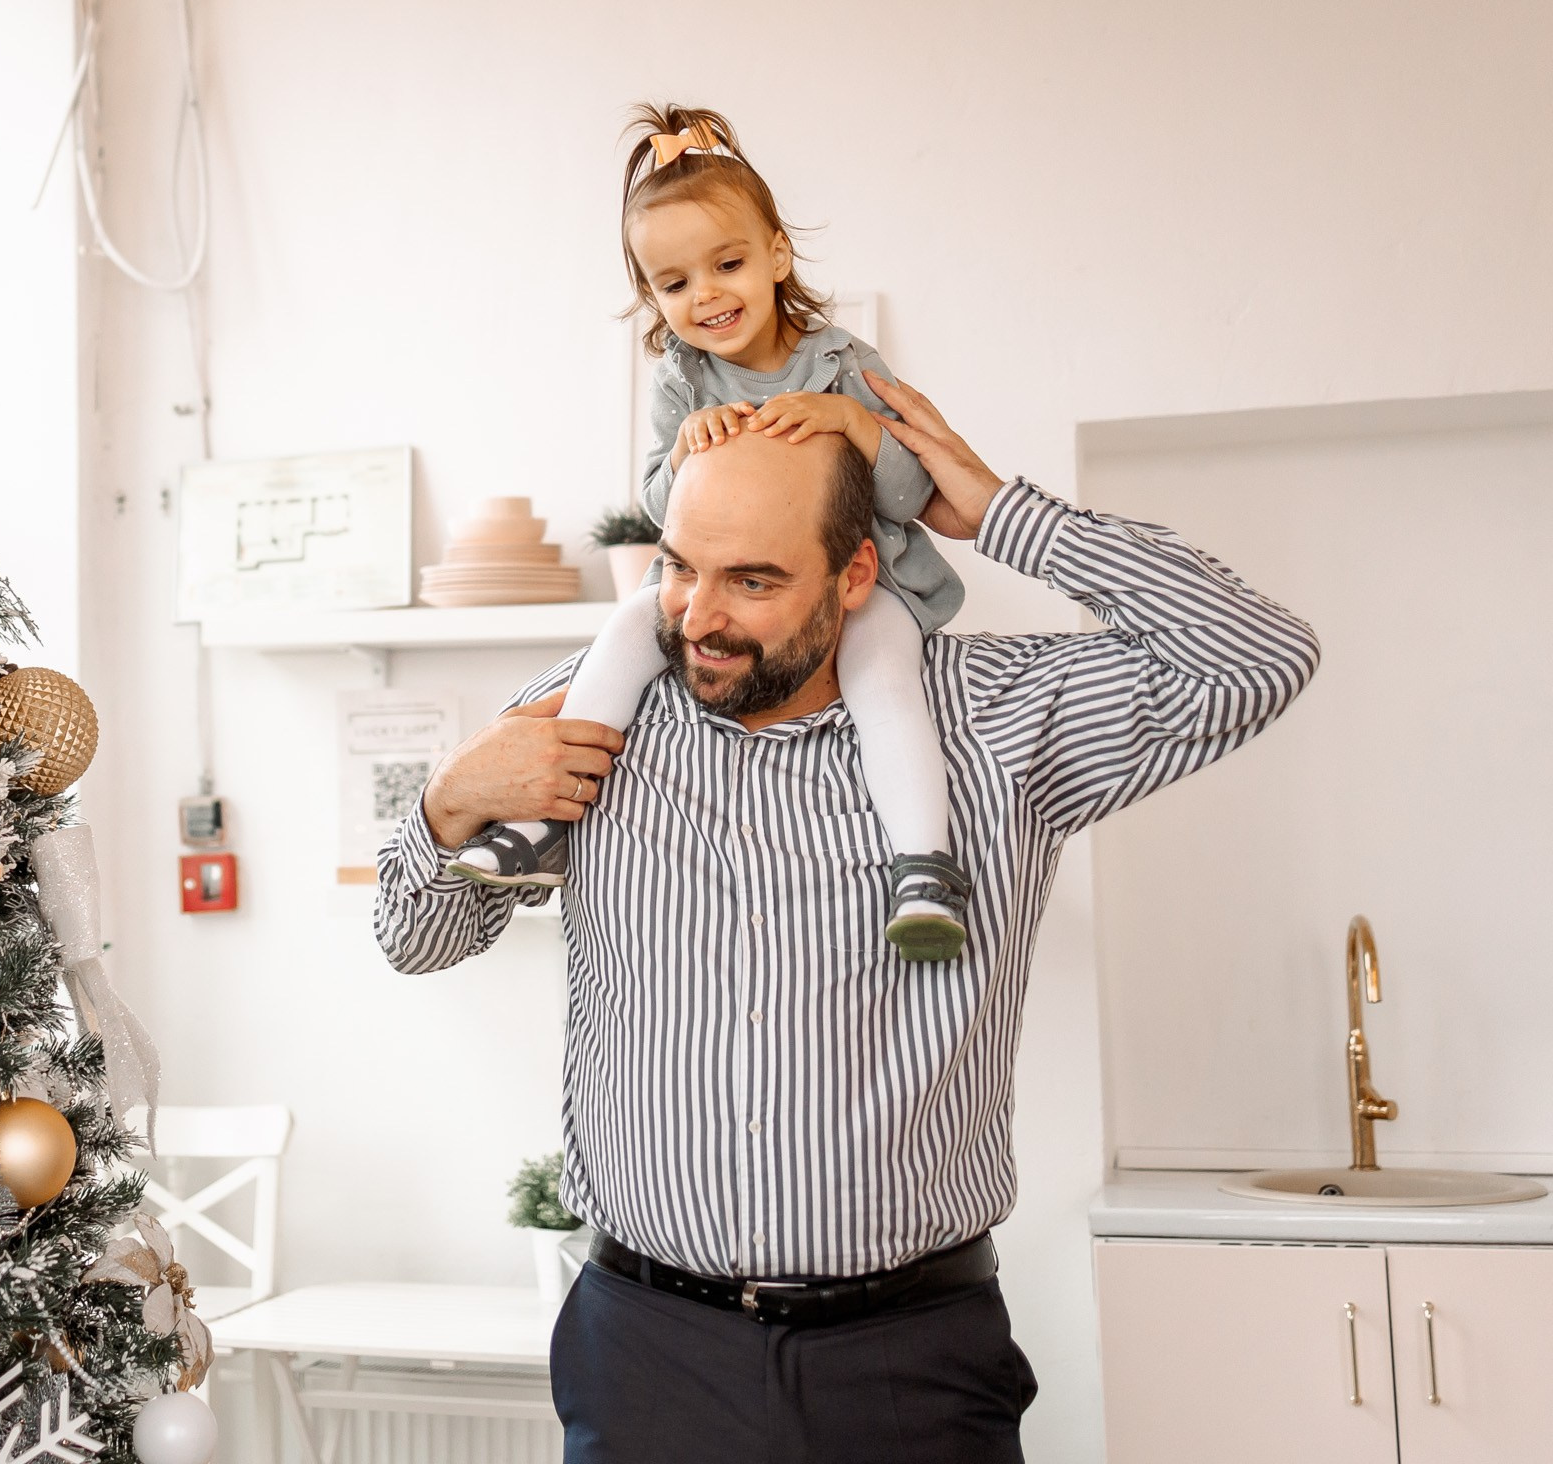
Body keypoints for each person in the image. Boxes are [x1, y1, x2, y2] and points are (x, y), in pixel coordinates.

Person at [373, 389, 1318, 1462]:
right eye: (681, 565)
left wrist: (1002, 511)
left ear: (857, 574)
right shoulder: (599, 709)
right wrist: (449, 801)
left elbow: (1258, 656)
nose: (698, 616)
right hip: (647, 1358)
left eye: (755, 580)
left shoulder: (999, 723)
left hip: (906, 1365)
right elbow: (415, 937)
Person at [450, 104, 970, 961]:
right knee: (622, 634)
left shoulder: (845, 364)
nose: (708, 296)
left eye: (727, 264)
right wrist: (688, 450)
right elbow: (659, 500)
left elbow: (912, 493)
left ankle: (925, 865)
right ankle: (542, 829)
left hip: (862, 584)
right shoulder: (679, 378)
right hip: (723, 583)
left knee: (886, 684)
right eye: (676, 283)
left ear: (775, 254)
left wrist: (853, 421)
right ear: (652, 297)